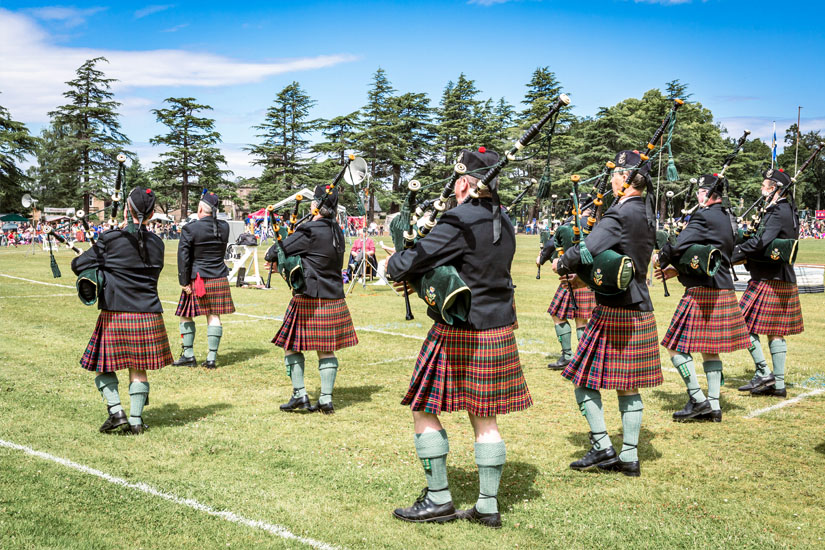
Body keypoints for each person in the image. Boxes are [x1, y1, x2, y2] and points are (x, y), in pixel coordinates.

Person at [387, 147, 531, 528]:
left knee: (424, 407)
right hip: (497, 325)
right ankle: (486, 505)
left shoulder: (459, 218)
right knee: (485, 418)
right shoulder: (505, 219)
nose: (453, 186)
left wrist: (394, 263)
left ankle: (438, 499)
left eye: (456, 180)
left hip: (460, 329)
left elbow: (417, 259)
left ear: (465, 182)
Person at [552, 150, 662, 477]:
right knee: (628, 385)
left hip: (615, 309)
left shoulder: (620, 214)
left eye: (616, 175)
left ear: (626, 180)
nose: (612, 179)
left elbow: (589, 248)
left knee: (583, 380)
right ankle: (628, 456)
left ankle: (602, 446)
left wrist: (563, 262)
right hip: (640, 304)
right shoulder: (647, 212)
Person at [71, 187, 173, 435]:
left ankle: (116, 412)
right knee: (139, 368)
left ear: (127, 209)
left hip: (116, 313)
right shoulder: (158, 243)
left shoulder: (111, 239)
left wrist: (97, 258)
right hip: (148, 313)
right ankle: (136, 422)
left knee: (103, 365)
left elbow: (78, 265)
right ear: (150, 215)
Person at [655, 174, 750, 422]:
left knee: (674, 347)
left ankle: (698, 399)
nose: (697, 196)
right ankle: (715, 406)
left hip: (703, 288)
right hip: (724, 286)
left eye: (700, 192)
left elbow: (678, 245)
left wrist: (662, 259)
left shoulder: (703, 215)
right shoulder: (727, 217)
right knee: (710, 349)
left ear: (706, 194)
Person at [268, 184, 358, 414]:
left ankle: (300, 395)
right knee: (326, 349)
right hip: (334, 296)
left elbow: (274, 252)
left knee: (290, 346)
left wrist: (294, 234)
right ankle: (325, 399)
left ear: (315, 205)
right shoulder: (338, 231)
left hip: (309, 297)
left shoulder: (309, 230)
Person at [731, 168, 804, 398]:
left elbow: (762, 242)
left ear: (775, 188)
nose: (762, 188)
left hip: (769, 278)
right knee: (775, 331)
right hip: (779, 277)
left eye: (765, 185)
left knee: (742, 324)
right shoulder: (786, 209)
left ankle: (764, 371)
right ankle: (778, 384)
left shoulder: (777, 211)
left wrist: (734, 253)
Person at [173, 192, 235, 369]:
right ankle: (211, 358)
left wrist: (183, 282)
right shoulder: (224, 227)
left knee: (186, 315)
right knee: (214, 315)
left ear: (200, 208)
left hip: (197, 278)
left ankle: (188, 355)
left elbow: (183, 257)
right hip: (218, 277)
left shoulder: (190, 229)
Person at [537, 206, 598, 370]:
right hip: (590, 279)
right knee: (582, 320)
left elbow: (551, 244)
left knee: (557, 315)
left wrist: (541, 258)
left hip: (570, 278)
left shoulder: (569, 226)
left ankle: (568, 355)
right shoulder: (598, 226)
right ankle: (585, 359)